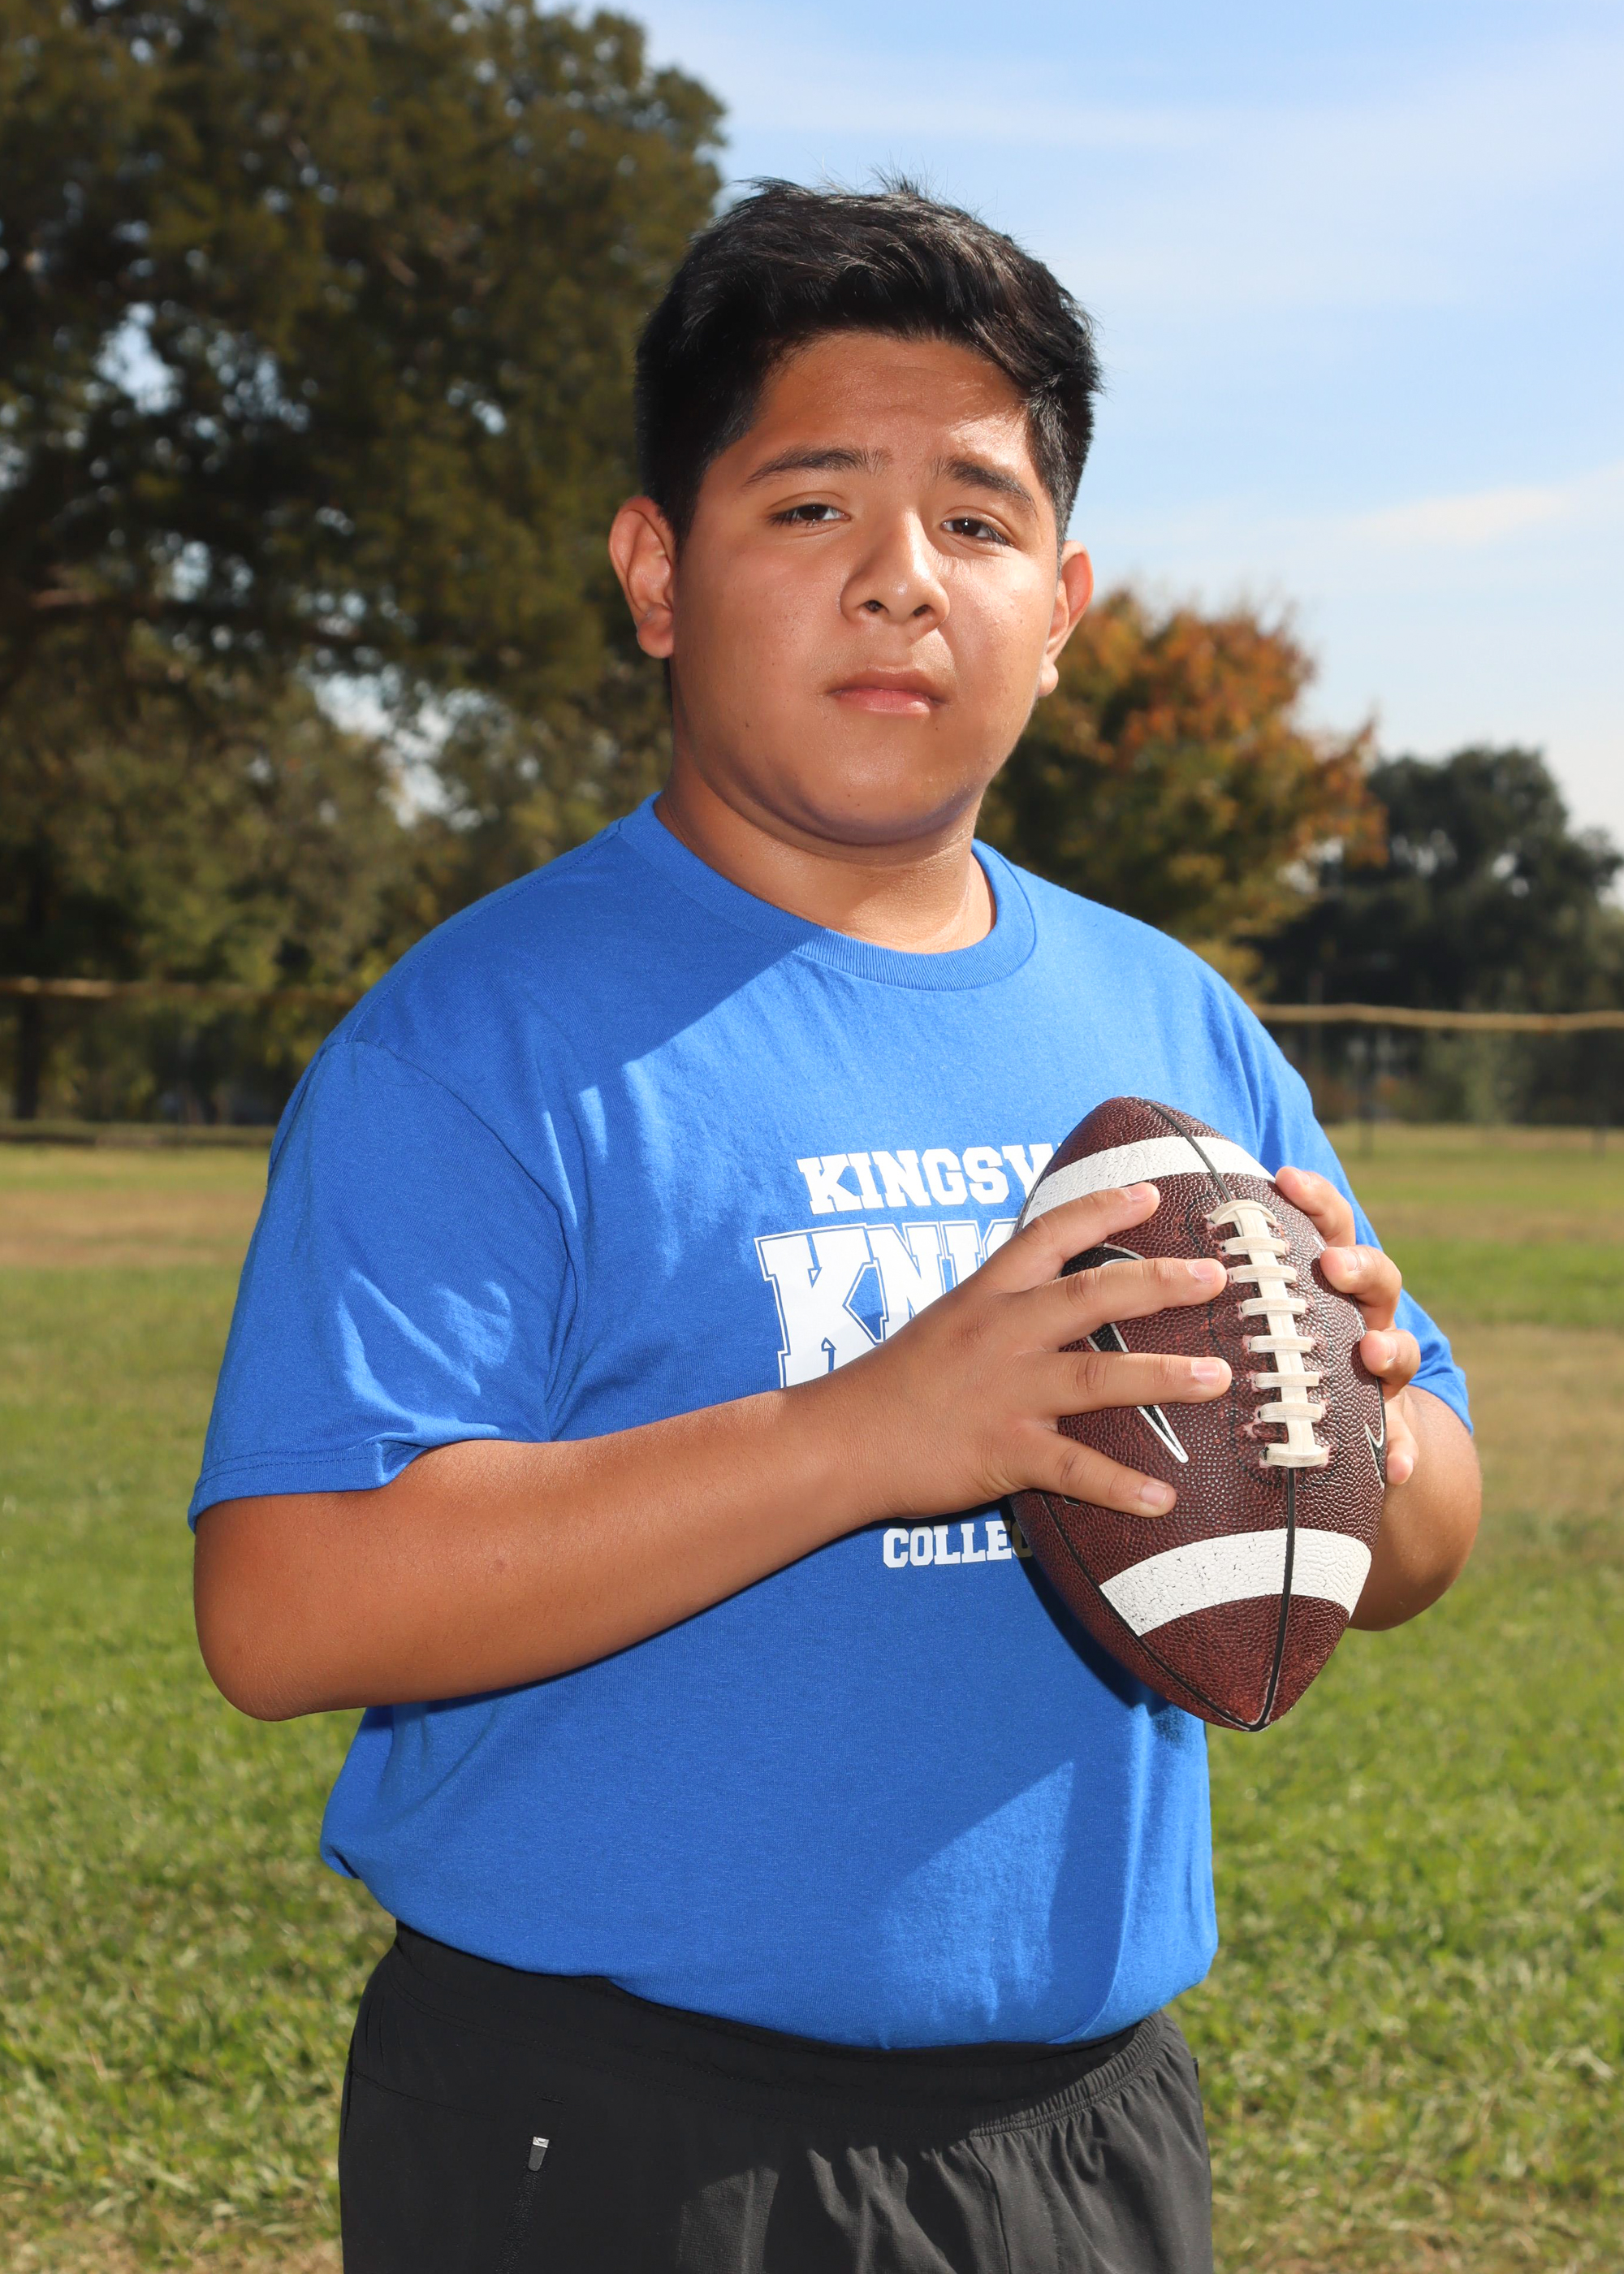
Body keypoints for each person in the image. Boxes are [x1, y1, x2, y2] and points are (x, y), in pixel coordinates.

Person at [191, 182, 1480, 2273]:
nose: (902, 577)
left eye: (976, 519)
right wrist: (872, 1429)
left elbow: (1421, 1533)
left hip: (1077, 2119)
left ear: (1061, 606)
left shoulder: (1171, 1021)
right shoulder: (482, 1039)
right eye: (811, 507)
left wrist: (1361, 1411)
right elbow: (285, 1603)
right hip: (603, 2127)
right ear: (657, 573)